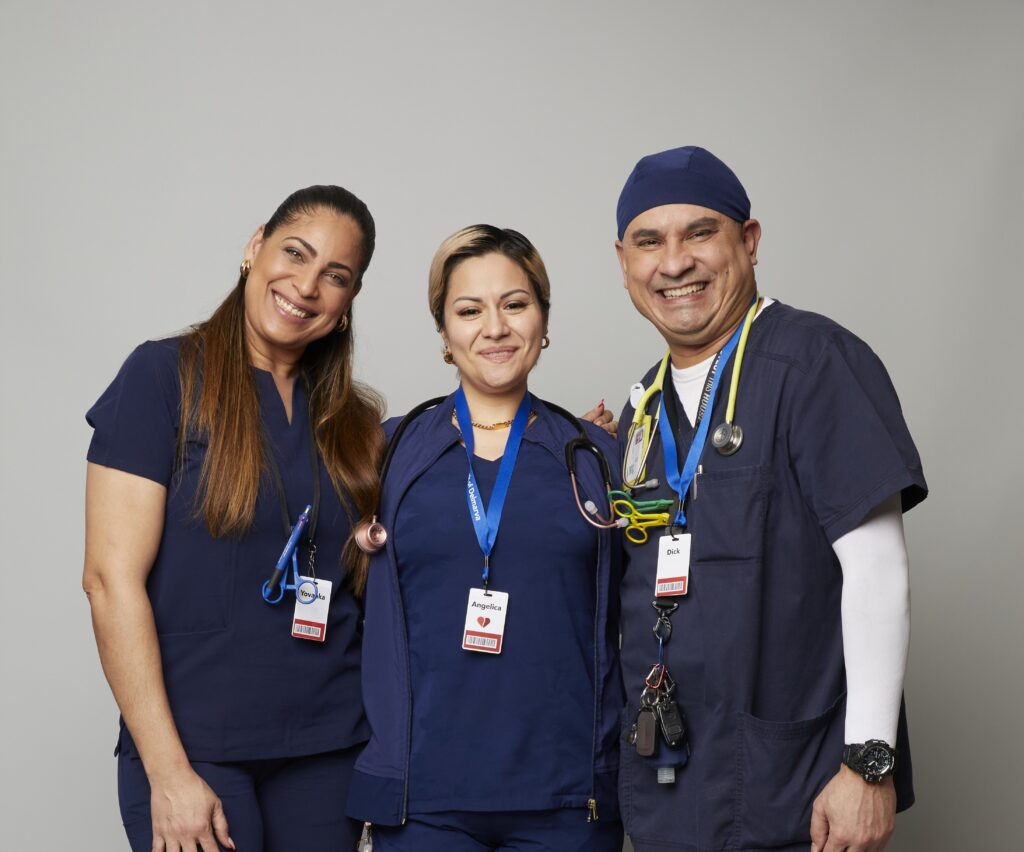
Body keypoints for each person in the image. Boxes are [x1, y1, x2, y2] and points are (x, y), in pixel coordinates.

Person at [610, 147, 927, 852]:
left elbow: (878, 570)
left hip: (799, 788)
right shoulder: (642, 410)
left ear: (748, 242)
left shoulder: (815, 362)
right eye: (649, 241)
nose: (675, 262)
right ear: (623, 260)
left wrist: (869, 762)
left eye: (700, 233)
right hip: (671, 785)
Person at [82, 185, 384, 851]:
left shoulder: (355, 422)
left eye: (336, 276)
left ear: (346, 304)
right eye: (295, 254)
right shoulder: (162, 377)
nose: (306, 285)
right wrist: (167, 771)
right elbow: (109, 580)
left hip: (327, 748)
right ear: (255, 248)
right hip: (196, 749)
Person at [346, 225, 625, 851]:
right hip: (423, 801)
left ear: (543, 319)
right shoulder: (387, 452)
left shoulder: (594, 456)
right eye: (469, 310)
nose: (494, 328)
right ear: (444, 332)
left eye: (515, 304)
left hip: (568, 797)